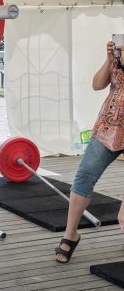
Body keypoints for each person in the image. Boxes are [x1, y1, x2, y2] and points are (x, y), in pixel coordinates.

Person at [55, 40, 124, 263]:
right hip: (108, 127)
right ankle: (70, 234)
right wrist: (109, 60)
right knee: (84, 175)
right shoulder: (118, 57)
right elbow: (96, 84)